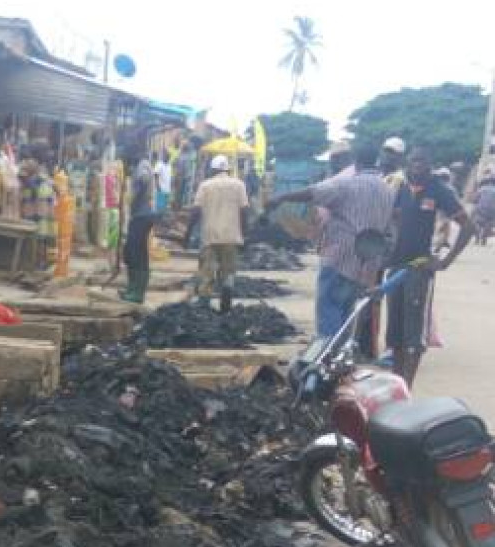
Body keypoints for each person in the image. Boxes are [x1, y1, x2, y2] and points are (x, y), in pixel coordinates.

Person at [278, 140, 396, 339]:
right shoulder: (387, 189)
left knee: (329, 309)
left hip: (340, 257)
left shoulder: (347, 184)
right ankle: (338, 359)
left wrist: (280, 198)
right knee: (346, 314)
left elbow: (313, 192)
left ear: (355, 160)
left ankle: (326, 357)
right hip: (366, 262)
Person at [385, 148, 472, 384]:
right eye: (413, 161)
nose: (417, 166)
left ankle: (407, 388)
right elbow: (393, 219)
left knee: (413, 337)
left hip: (419, 269)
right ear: (407, 163)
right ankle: (396, 385)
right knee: (395, 335)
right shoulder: (401, 188)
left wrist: (445, 261)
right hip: (396, 268)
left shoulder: (440, 190)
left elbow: (468, 226)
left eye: (422, 161)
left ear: (430, 164)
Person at [192, 153, 249, 310]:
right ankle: (226, 300)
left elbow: (196, 210)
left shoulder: (205, 185)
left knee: (207, 270)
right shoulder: (239, 185)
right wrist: (244, 234)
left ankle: (204, 302)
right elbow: (244, 212)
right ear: (228, 170)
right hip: (232, 236)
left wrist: (187, 233)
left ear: (212, 170)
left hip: (209, 236)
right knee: (228, 270)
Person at [120, 151, 156, 304]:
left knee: (135, 252)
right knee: (136, 252)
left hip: (142, 216)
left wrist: (131, 198)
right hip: (142, 215)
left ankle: (136, 292)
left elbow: (142, 179)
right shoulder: (145, 165)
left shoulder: (142, 167)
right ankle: (133, 288)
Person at [473, 174, 495, 245]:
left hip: (480, 208)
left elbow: (475, 199)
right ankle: (484, 239)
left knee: (478, 223)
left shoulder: (482, 189)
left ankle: (477, 238)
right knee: (488, 223)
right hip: (492, 210)